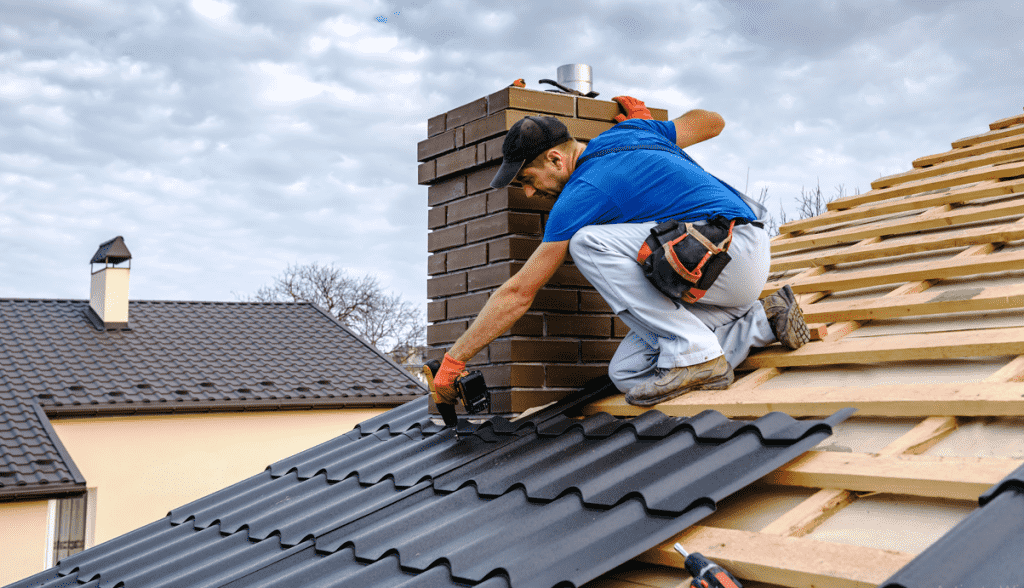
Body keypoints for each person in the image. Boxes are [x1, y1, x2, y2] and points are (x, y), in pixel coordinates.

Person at [431, 96, 809, 408]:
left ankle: (697, 353)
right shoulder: (634, 130)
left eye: (527, 179)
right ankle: (762, 321)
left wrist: (455, 360)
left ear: (556, 160)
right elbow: (713, 120)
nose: (529, 193)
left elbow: (519, 293)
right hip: (725, 272)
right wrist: (654, 130)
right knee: (628, 373)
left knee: (587, 242)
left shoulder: (582, 191)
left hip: (727, 251)